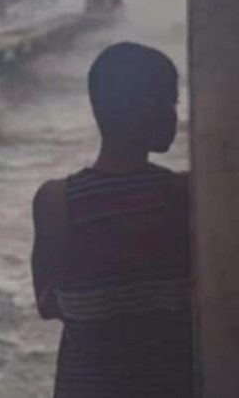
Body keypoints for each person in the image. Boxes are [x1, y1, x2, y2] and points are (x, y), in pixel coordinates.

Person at [31, 42, 192, 397]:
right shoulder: (182, 194)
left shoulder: (56, 202)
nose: (175, 115)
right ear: (148, 106)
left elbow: (46, 304)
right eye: (172, 101)